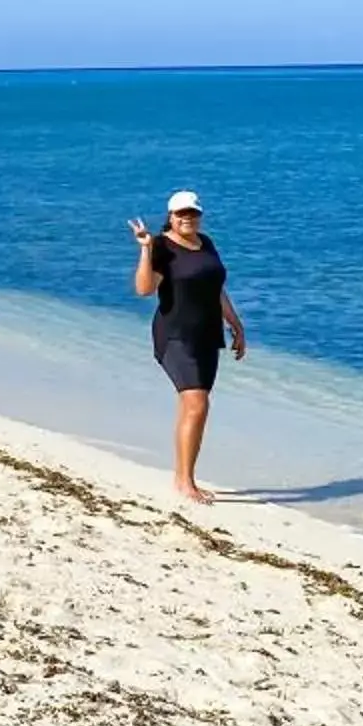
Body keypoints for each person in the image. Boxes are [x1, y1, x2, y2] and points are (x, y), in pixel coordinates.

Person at [130, 189, 245, 504]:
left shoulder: (205, 243)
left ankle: (183, 475)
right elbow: (143, 289)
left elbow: (216, 289)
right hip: (175, 335)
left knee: (194, 407)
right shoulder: (161, 246)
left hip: (207, 335)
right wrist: (145, 250)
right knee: (197, 404)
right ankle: (185, 483)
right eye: (181, 214)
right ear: (171, 216)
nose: (187, 219)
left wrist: (235, 323)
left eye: (192, 213)